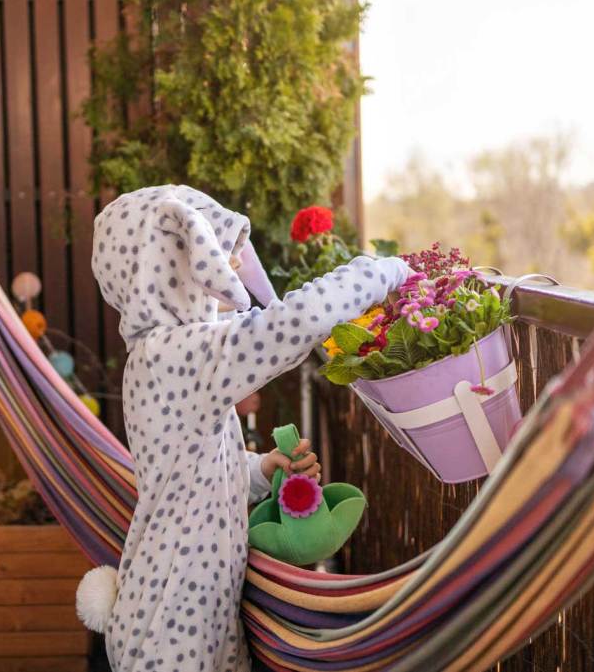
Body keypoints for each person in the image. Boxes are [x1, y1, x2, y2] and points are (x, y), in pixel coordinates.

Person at [82, 184, 410, 671]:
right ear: (169, 265)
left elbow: (186, 467)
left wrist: (257, 470)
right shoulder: (178, 354)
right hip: (171, 623)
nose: (227, 268)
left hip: (186, 609)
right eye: (210, 255)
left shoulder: (158, 357)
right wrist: (385, 270)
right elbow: (294, 324)